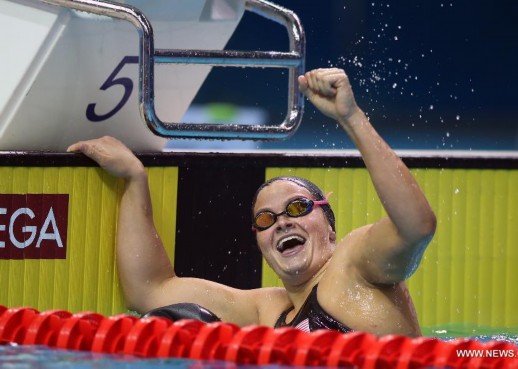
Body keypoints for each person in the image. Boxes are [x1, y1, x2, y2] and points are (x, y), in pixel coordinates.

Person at [67, 68, 436, 336]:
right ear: (259, 241)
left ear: (330, 226)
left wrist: (351, 118)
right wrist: (134, 178)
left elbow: (417, 226)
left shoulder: (355, 262)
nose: (282, 223)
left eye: (297, 208)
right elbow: (149, 291)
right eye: (266, 220)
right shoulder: (265, 310)